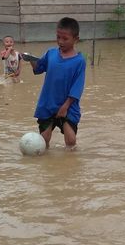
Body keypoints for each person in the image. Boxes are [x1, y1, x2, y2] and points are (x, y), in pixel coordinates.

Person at [26, 17, 86, 150]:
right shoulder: (51, 53)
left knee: (71, 141)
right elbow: (38, 69)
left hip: (68, 106)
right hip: (48, 103)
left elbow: (77, 87)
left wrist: (65, 107)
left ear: (76, 39)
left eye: (65, 39)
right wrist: (30, 59)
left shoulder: (79, 61)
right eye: (58, 37)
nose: (60, 41)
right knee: (43, 140)